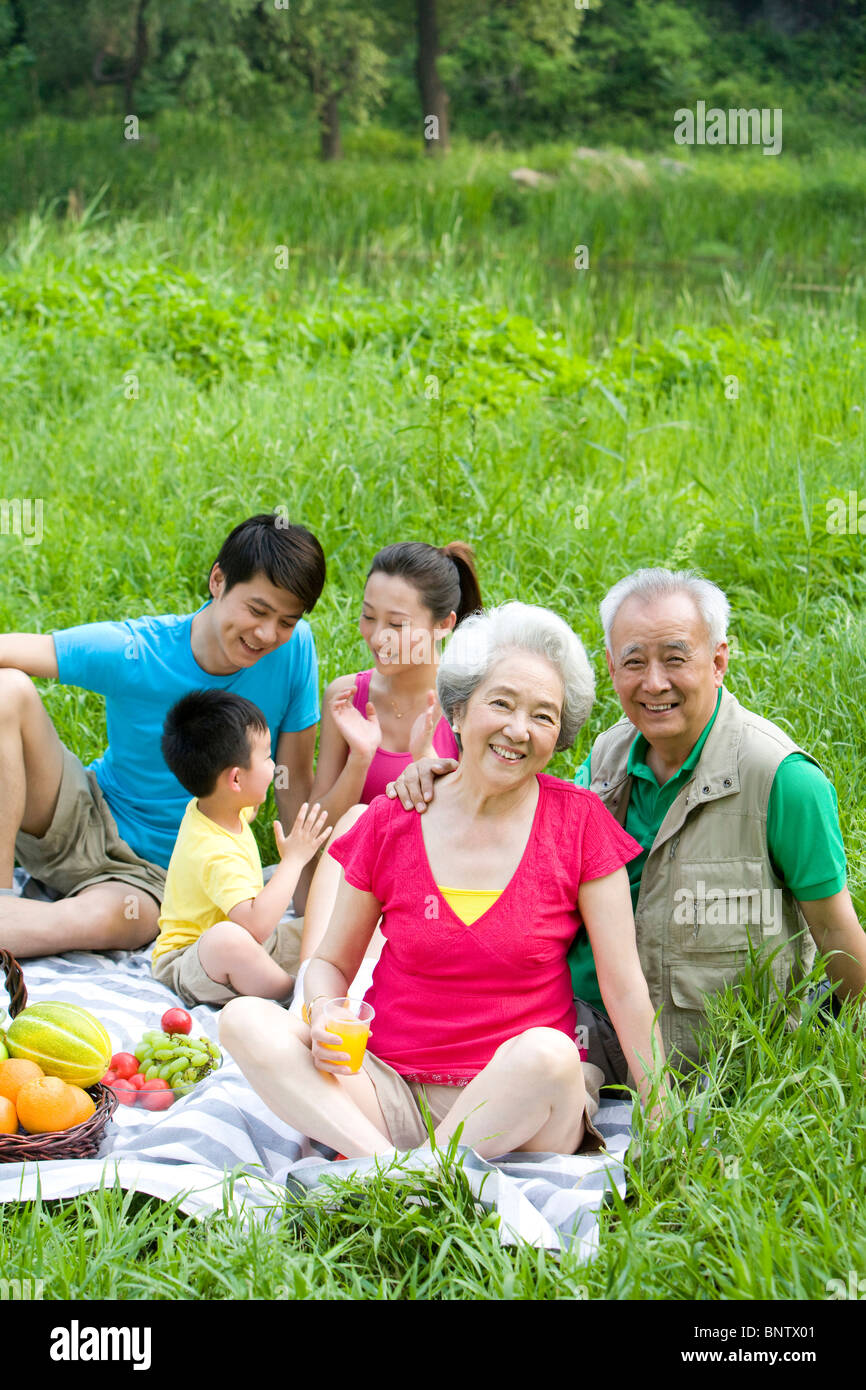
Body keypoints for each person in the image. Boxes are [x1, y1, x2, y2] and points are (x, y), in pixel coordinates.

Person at [219, 603, 666, 1161]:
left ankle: (405, 1174)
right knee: (245, 1020)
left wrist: (664, 1110)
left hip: (520, 1108)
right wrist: (328, 1009)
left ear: (560, 734)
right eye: (500, 703)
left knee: (552, 1055)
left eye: (544, 716)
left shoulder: (578, 824)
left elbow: (625, 990)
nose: (518, 730)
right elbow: (332, 964)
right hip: (387, 1091)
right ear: (457, 710)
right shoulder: (395, 819)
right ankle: (403, 1172)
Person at [389, 568, 866, 1080]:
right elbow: (526, 813)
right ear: (613, 668)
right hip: (572, 1025)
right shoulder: (607, 755)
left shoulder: (782, 781)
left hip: (705, 1056)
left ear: (719, 661)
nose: (654, 683)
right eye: (634, 662)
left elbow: (836, 930)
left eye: (676, 659)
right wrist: (450, 780)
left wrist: (848, 1058)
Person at [0, 513, 325, 959]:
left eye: (286, 620)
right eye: (257, 610)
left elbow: (293, 783)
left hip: (155, 878)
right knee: (8, 690)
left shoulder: (295, 650)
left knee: (112, 921)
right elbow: (12, 649)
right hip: (81, 816)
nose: (267, 634)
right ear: (217, 580)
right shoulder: (138, 651)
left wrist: (309, 916)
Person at [297, 541, 481, 962]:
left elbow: (478, 833)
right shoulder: (346, 695)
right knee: (359, 817)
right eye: (367, 616)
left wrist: (421, 763)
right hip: (352, 890)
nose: (377, 637)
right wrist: (360, 759)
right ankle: (312, 990)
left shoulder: (468, 707)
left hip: (432, 893)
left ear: (444, 624)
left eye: (397, 625)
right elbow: (319, 830)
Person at [151, 691, 331, 1008]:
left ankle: (320, 974)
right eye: (266, 757)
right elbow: (257, 926)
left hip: (255, 945)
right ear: (235, 779)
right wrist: (294, 859)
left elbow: (259, 933)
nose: (273, 765)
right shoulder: (213, 851)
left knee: (329, 924)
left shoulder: (217, 807)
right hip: (193, 961)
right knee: (227, 941)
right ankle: (296, 994)